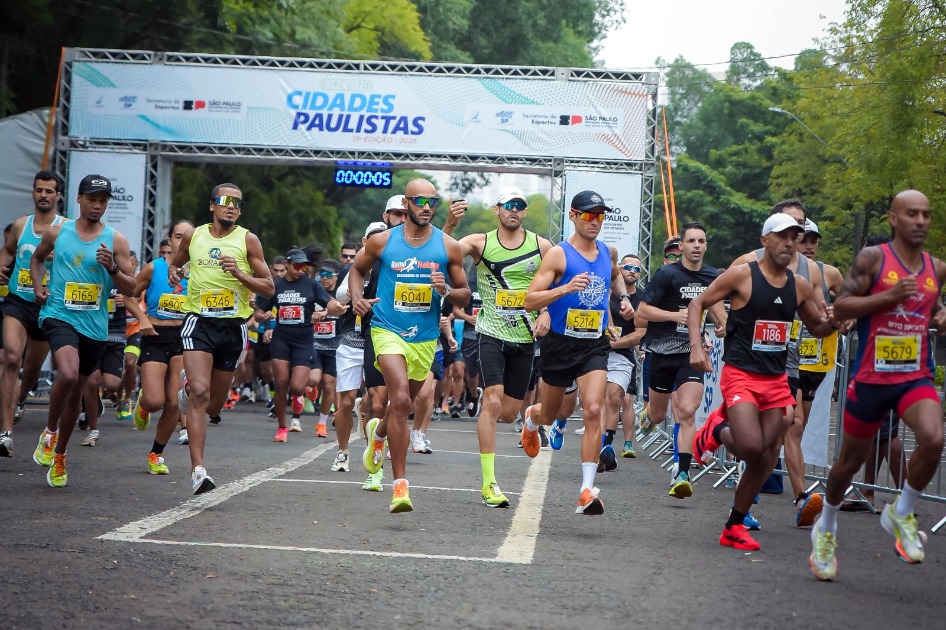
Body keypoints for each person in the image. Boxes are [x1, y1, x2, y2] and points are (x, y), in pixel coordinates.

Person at [808, 190, 946, 580]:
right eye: (912, 214)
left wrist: (940, 315)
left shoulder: (937, 267)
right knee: (848, 465)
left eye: (927, 215)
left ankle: (901, 513)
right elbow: (844, 306)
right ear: (893, 218)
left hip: (914, 375)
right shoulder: (874, 259)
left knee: (934, 439)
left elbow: (931, 306)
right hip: (871, 377)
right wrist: (887, 295)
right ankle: (827, 526)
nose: (920, 221)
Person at [689, 213, 838, 550]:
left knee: (768, 453)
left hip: (775, 379)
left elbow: (818, 327)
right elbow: (699, 303)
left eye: (795, 238)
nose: (789, 243)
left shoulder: (799, 285)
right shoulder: (743, 275)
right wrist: (696, 346)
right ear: (765, 240)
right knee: (750, 446)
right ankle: (714, 431)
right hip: (741, 374)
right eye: (782, 236)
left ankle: (733, 526)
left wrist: (838, 320)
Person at [348, 179, 470, 513]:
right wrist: (358, 299)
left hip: (425, 336)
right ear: (407, 202)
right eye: (419, 201)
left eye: (432, 202)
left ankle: (379, 435)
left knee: (405, 406)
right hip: (387, 328)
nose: (426, 207)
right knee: (399, 396)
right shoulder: (382, 241)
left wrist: (445, 289)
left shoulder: (448, 247)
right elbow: (357, 271)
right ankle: (400, 485)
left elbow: (465, 294)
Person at [520, 190, 634, 515]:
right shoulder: (559, 255)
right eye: (588, 215)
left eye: (600, 215)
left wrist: (621, 302)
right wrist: (565, 289)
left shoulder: (606, 254)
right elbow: (529, 300)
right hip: (559, 343)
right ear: (573, 215)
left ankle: (586, 490)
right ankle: (532, 419)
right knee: (553, 412)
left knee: (593, 409)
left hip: (593, 344)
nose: (595, 221)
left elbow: (614, 279)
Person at [444, 186, 553, 507]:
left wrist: (546, 311)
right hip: (490, 333)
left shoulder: (541, 246)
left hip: (524, 339)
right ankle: (489, 483)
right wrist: (450, 224)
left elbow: (560, 279)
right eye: (509, 205)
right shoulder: (481, 242)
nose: (514, 211)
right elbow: (443, 250)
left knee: (508, 414)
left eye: (520, 206)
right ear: (497, 209)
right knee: (492, 403)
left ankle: (531, 419)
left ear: (525, 211)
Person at [30, 174, 136, 486]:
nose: (97, 205)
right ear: (78, 199)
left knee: (77, 388)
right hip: (59, 314)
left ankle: (60, 455)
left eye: (102, 200)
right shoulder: (58, 231)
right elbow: (37, 260)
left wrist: (112, 268)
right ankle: (49, 432)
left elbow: (131, 287)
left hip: (94, 324)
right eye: (91, 198)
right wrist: (38, 286)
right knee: (67, 373)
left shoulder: (115, 240)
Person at [168, 183, 274, 494]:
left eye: (237, 203)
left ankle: (188, 390)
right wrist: (175, 271)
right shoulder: (194, 235)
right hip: (198, 322)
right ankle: (198, 471)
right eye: (224, 201)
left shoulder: (248, 240)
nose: (230, 207)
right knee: (201, 395)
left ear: (240, 210)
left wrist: (240, 275)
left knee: (213, 405)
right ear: (212, 205)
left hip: (233, 327)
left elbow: (268, 287)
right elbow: (177, 261)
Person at [637, 221, 725, 499]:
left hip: (692, 352)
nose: (696, 246)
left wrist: (722, 325)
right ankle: (648, 415)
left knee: (686, 411)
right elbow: (642, 310)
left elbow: (717, 310)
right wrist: (674, 316)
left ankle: (682, 472)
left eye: (701, 241)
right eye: (691, 241)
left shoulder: (713, 277)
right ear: (683, 246)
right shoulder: (666, 275)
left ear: (706, 245)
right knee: (658, 414)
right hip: (662, 351)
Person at [783, 218, 848, 523]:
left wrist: (843, 316)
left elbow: (851, 307)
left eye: (814, 240)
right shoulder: (777, 267)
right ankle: (801, 497)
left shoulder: (829, 272)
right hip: (783, 356)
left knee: (797, 425)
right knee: (792, 425)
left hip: (815, 359)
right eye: (803, 239)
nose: (808, 245)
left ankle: (761, 470)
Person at [0, 171, 66, 457]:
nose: (43, 195)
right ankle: (5, 432)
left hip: (47, 305)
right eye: (39, 190)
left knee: (32, 370)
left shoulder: (66, 228)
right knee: (11, 357)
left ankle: (22, 398)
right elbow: (7, 251)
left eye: (49, 191)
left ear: (58, 196)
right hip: (18, 301)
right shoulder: (19, 226)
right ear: (33, 193)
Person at [257, 248, 344, 442]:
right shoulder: (276, 286)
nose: (300, 269)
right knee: (280, 383)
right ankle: (282, 428)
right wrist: (263, 316)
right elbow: (259, 312)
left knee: (296, 386)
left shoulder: (311, 285)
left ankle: (298, 398)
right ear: (287, 264)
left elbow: (328, 302)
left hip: (304, 341)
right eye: (296, 266)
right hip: (281, 339)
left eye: (303, 266)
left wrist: (334, 307)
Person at [128, 221, 193, 474]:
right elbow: (128, 293)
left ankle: (156, 454)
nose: (183, 241)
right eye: (178, 236)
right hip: (155, 334)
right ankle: (143, 404)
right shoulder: (154, 268)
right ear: (170, 240)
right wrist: (142, 317)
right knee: (155, 401)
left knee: (174, 403)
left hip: (184, 337)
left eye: (188, 237)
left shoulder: (198, 272)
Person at [333, 222, 389, 472]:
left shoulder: (391, 269)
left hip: (377, 340)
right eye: (372, 239)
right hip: (350, 341)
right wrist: (359, 294)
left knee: (377, 401)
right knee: (345, 402)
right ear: (365, 242)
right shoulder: (353, 269)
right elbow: (340, 296)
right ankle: (343, 452)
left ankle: (374, 449)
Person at [601, 253, 645, 467]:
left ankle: (608, 447)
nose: (632, 272)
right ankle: (561, 422)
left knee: (617, 399)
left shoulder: (643, 299)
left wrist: (613, 344)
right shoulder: (605, 292)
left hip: (621, 355)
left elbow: (639, 334)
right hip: (595, 353)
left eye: (637, 269)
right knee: (594, 403)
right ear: (619, 268)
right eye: (628, 267)